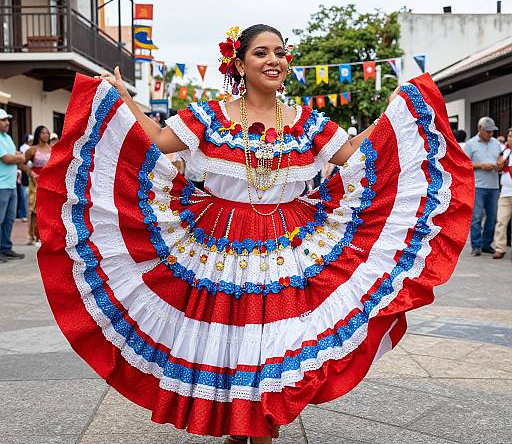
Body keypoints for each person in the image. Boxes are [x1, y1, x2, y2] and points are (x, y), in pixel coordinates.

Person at [37, 25, 474, 443]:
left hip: (291, 239)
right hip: (219, 239)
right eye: (261, 53)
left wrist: (397, 115)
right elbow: (155, 139)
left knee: (277, 336)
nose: (274, 60)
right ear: (239, 64)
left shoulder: (305, 120)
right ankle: (240, 423)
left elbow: (353, 154)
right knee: (231, 333)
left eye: (280, 52)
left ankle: (260, 423)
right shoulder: (210, 115)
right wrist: (122, 98)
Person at [464, 116, 502, 256]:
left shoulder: (496, 143)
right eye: (488, 131)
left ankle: (487, 244)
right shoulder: (470, 144)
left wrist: (499, 165)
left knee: (492, 217)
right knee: (477, 217)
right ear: (480, 129)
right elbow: (465, 164)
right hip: (478, 186)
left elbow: (500, 159)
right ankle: (476, 245)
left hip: (493, 186)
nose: (490, 134)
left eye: (492, 131)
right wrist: (481, 166)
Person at [0, 109, 25, 261]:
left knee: (9, 219)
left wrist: (18, 156)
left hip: (11, 185)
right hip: (1, 185)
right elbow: (7, 158)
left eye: (7, 120)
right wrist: (20, 157)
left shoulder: (7, 138)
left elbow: (15, 154)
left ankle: (6, 248)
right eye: (3, 120)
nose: (7, 123)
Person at [25, 126, 52, 245]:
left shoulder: (52, 149)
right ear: (38, 134)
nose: (45, 135)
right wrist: (31, 173)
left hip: (50, 182)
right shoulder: (32, 150)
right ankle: (35, 235)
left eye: (47, 133)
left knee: (49, 210)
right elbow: (22, 163)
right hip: (36, 182)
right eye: (43, 133)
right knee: (36, 209)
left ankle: (47, 236)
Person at [492, 127, 512, 259]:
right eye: (509, 136)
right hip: (505, 192)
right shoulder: (504, 151)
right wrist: (499, 164)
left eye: (511, 136)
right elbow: (499, 167)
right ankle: (500, 248)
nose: (509, 138)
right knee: (501, 221)